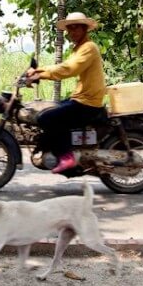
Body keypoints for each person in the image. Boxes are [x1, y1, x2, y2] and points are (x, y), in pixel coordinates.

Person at [25, 12, 107, 174]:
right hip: (82, 99)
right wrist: (39, 71)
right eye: (69, 29)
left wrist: (40, 73)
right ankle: (53, 148)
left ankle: (66, 156)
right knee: (48, 110)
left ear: (85, 29)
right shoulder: (80, 49)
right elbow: (65, 65)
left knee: (46, 118)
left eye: (75, 28)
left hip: (88, 103)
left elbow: (69, 69)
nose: (71, 33)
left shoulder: (89, 48)